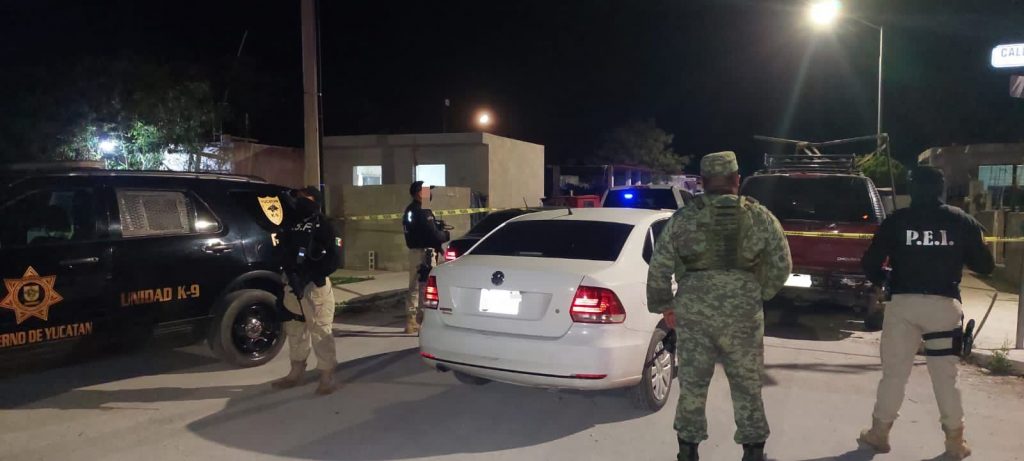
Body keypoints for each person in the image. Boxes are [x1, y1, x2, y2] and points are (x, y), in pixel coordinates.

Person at [647, 151, 792, 461]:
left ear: (702, 182)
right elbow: (782, 264)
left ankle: (688, 452)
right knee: (747, 385)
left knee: (693, 386)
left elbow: (659, 266)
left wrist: (666, 307)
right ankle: (753, 453)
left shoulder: (683, 219)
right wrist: (758, 292)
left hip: (694, 314)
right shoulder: (760, 216)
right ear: (737, 179)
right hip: (744, 315)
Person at [858, 166, 994, 459]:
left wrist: (886, 281)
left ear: (912, 188)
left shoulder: (897, 221)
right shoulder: (961, 221)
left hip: (903, 305)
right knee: (946, 378)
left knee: (894, 375)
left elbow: (869, 263)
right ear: (940, 189)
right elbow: (986, 266)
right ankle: (955, 442)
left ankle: (879, 433)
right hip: (944, 307)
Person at [271, 186, 343, 395]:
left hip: (314, 287)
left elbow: (334, 259)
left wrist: (308, 276)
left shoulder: (325, 225)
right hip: (292, 285)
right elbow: (282, 251)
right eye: (299, 198)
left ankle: (327, 376)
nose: (300, 201)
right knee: (295, 329)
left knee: (320, 330)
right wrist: (291, 275)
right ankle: (296, 371)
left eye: (306, 198)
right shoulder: (290, 223)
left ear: (315, 201)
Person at [403, 181, 450, 334]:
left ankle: (412, 320)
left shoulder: (410, 210)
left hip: (415, 252)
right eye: (426, 191)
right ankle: (421, 320)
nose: (429, 194)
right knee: (425, 287)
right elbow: (433, 234)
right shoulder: (423, 211)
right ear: (419, 193)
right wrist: (445, 235)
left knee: (414, 287)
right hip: (425, 253)